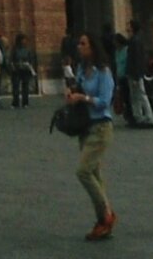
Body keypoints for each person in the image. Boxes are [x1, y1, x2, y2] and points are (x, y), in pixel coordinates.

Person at [63, 33, 118, 240]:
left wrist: (83, 97)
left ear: (93, 47)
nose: (79, 46)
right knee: (95, 175)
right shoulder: (80, 69)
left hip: (101, 127)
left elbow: (105, 101)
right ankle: (103, 222)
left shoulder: (103, 72)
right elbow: (76, 88)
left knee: (83, 171)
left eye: (83, 43)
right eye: (79, 43)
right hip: (85, 127)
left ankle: (107, 214)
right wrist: (71, 94)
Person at [9, 31, 37, 108]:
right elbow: (11, 59)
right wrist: (13, 66)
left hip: (25, 70)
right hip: (16, 70)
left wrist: (29, 65)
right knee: (16, 87)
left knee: (25, 87)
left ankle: (25, 102)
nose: (24, 42)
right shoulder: (15, 49)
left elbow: (31, 59)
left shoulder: (28, 50)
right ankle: (15, 103)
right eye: (23, 40)